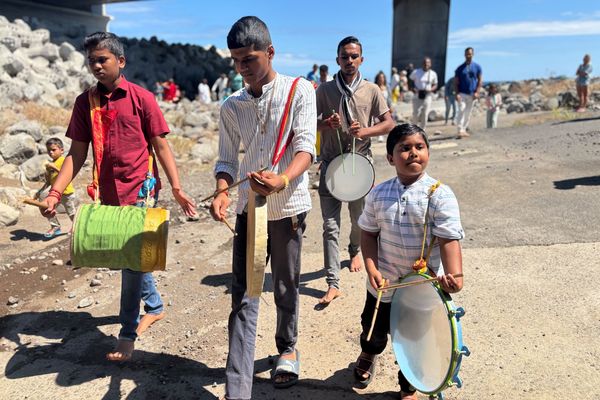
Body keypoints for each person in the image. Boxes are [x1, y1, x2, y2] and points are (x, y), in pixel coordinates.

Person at [40, 32, 197, 362]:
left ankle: (127, 334)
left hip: (141, 192)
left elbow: (161, 145)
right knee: (134, 258)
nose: (96, 66)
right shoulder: (86, 103)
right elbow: (76, 154)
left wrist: (178, 187)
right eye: (91, 61)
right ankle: (153, 306)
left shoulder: (142, 98)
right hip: (108, 193)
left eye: (102, 60)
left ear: (120, 62)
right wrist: (55, 193)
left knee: (130, 261)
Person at [210, 16, 316, 399]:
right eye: (236, 60)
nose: (241, 68)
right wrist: (223, 192)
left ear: (270, 53)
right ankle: (237, 387)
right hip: (249, 213)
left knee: (287, 286)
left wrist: (283, 179)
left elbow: (306, 147)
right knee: (245, 296)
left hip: (288, 210)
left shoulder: (300, 91)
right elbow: (225, 160)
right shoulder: (231, 106)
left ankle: (287, 348)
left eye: (249, 59)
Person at [354, 122, 464, 399]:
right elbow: (368, 233)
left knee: (415, 341)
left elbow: (449, 239)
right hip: (383, 287)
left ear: (428, 152)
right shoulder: (378, 194)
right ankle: (369, 353)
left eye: (420, 147)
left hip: (421, 290)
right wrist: (371, 269)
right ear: (390, 157)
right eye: (404, 148)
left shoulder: (439, 194)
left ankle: (408, 385)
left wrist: (455, 277)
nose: (413, 153)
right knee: (372, 330)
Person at [315, 36, 395, 305]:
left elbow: (388, 124)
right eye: (344, 56)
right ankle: (332, 282)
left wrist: (365, 131)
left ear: (361, 59)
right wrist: (327, 123)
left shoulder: (372, 90)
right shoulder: (324, 90)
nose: (349, 61)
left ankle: (355, 249)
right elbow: (309, 124)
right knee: (329, 225)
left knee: (359, 217)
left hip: (360, 164)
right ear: (337, 59)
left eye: (354, 56)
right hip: (330, 165)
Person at [34, 137, 77, 238]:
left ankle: (76, 227)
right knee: (47, 208)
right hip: (54, 194)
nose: (51, 152)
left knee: (70, 211)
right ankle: (55, 226)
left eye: (53, 150)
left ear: (61, 150)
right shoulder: (50, 165)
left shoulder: (64, 161)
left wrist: (54, 167)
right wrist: (39, 191)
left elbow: (66, 174)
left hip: (66, 192)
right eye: (49, 150)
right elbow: (49, 181)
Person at [455, 47, 482, 138]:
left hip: (472, 94)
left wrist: (477, 92)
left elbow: (480, 81)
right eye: (467, 54)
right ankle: (460, 130)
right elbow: (456, 82)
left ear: (473, 54)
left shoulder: (477, 67)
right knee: (461, 109)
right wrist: (457, 93)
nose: (468, 56)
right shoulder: (459, 68)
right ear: (464, 55)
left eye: (470, 54)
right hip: (462, 93)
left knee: (468, 112)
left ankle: (464, 129)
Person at [409, 57, 438, 129]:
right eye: (425, 63)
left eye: (428, 63)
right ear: (422, 64)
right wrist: (412, 89)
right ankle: (414, 130)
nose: (426, 64)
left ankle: (422, 131)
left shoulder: (433, 74)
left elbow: (435, 84)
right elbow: (410, 80)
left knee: (425, 114)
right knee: (416, 114)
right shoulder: (416, 72)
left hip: (427, 95)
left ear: (430, 64)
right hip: (417, 95)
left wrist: (431, 89)